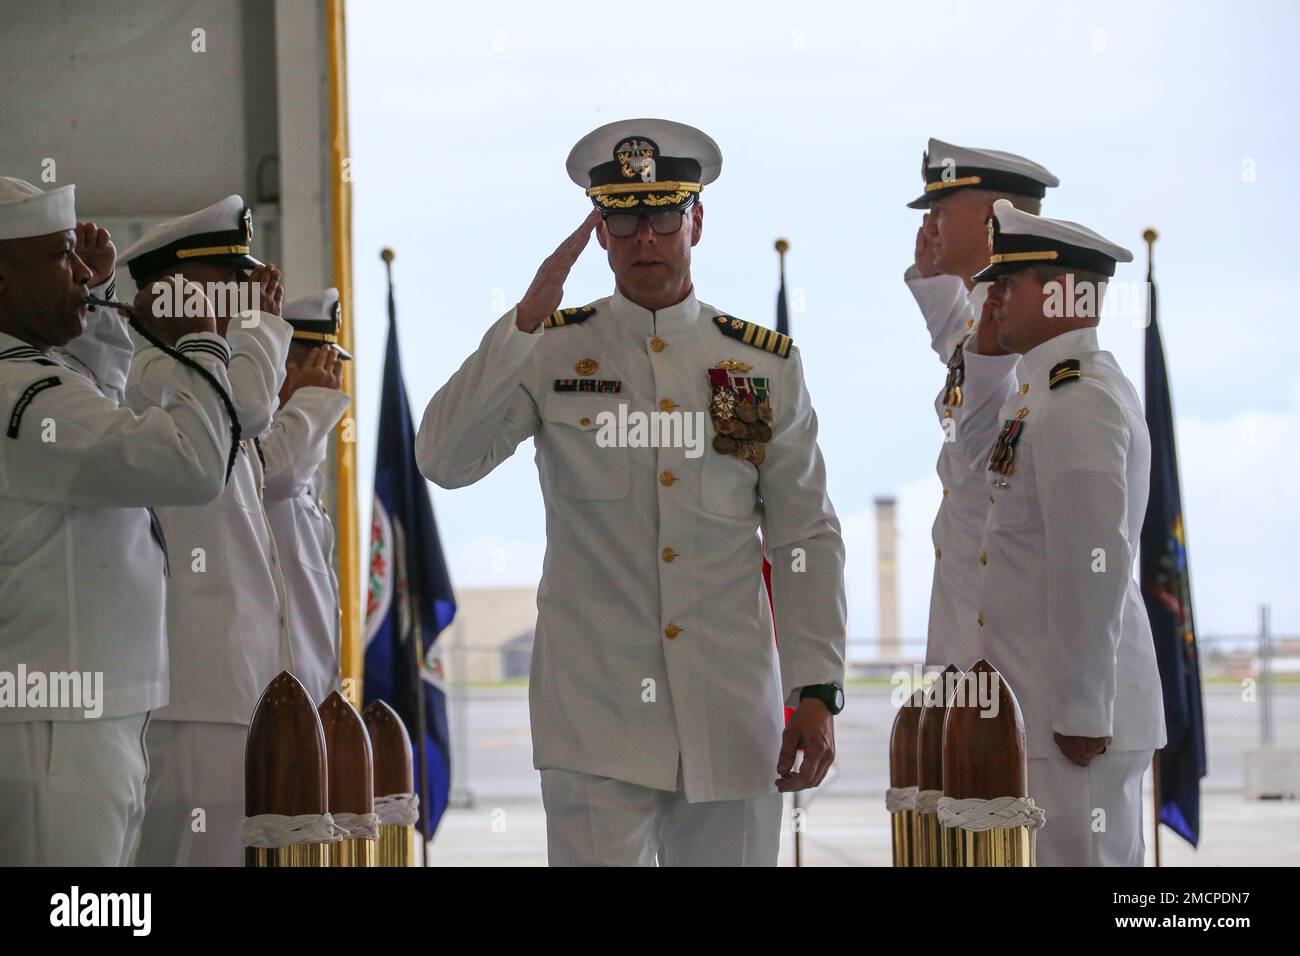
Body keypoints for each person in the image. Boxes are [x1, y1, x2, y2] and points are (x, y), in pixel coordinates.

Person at [416, 119, 846, 866]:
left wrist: (817, 688)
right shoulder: (552, 349)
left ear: (695, 222)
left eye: (662, 215)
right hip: (596, 715)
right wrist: (519, 325)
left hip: (730, 714)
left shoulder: (760, 365)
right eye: (623, 218)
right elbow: (443, 459)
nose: (645, 237)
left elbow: (805, 535)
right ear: (601, 232)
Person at [0, 177, 235, 865]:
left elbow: (93, 406)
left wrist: (96, 315)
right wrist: (199, 343)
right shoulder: (26, 401)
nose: (81, 274)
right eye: (60, 257)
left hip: (77, 711)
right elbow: (190, 465)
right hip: (55, 726)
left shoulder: (31, 380)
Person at [973, 199, 1167, 865]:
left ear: (1061, 293)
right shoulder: (1041, 393)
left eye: (1008, 284)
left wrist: (1083, 711)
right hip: (1050, 708)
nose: (993, 300)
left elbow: (1095, 560)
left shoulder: (1076, 398)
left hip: (1076, 722)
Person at [121, 195, 293, 866]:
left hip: (228, 686)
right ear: (171, 295)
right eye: (231, 287)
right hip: (193, 691)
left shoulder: (196, 375)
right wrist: (263, 328)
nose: (243, 303)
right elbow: (248, 407)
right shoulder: (155, 376)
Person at [903, 138, 1058, 669]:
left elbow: (981, 421)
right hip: (975, 627)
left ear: (994, 220)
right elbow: (964, 357)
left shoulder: (1021, 330)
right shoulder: (985, 315)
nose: (931, 226)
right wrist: (933, 281)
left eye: (942, 211)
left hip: (1014, 641)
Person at [260, 289, 351, 704]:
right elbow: (277, 478)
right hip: (266, 692)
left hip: (306, 691)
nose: (334, 385)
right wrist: (310, 401)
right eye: (325, 369)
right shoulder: (252, 446)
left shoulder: (301, 456)